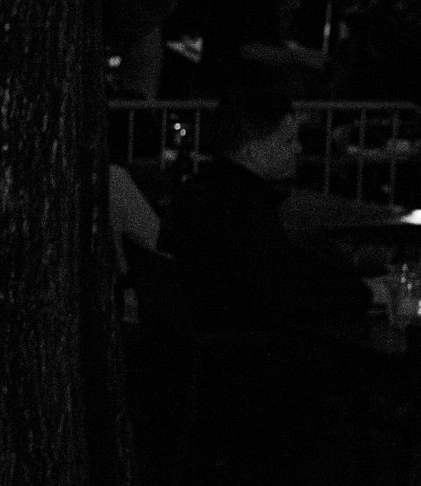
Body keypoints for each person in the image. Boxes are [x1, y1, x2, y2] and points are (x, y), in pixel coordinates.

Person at [160, 93, 385, 331]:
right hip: (238, 337)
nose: (298, 148)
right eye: (287, 141)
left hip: (207, 327)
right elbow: (279, 291)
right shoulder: (242, 206)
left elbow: (282, 268)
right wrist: (363, 292)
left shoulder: (204, 190)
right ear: (251, 151)